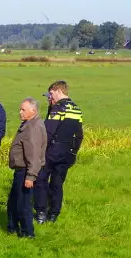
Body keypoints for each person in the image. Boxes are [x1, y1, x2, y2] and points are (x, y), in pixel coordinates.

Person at [34, 80, 84, 223]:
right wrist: (74, 152)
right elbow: (79, 135)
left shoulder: (58, 108)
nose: (50, 97)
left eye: (51, 93)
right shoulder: (76, 109)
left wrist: (39, 151)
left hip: (52, 152)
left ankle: (41, 212)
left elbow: (48, 132)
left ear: (58, 91)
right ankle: (54, 213)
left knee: (41, 180)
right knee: (57, 183)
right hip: (67, 152)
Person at [6, 98, 46, 238]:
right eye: (20, 109)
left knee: (23, 204)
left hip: (25, 172)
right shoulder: (29, 124)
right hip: (22, 170)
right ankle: (12, 227)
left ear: (33, 111)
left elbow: (34, 154)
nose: (20, 112)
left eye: (23, 110)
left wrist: (30, 176)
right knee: (13, 201)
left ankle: (27, 232)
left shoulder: (32, 128)